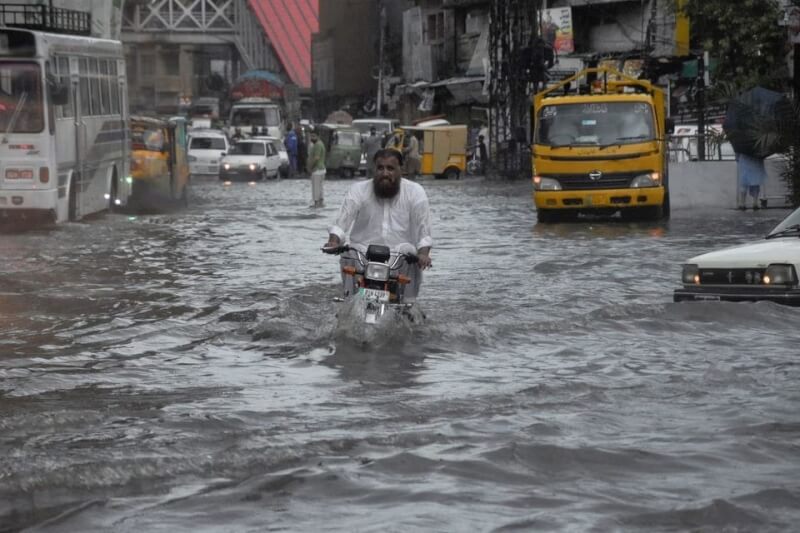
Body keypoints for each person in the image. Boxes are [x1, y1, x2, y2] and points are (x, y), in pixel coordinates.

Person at [324, 149, 433, 301]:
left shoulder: (416, 192)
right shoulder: (358, 190)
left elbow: (424, 233)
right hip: (363, 256)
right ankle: (348, 303)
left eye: (390, 168)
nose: (385, 173)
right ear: (374, 170)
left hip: (400, 258)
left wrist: (423, 254)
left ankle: (408, 306)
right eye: (380, 168)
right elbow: (342, 221)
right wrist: (333, 242)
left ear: (401, 170)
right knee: (348, 251)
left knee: (411, 253)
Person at [307, 128, 327, 208]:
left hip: (317, 169)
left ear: (318, 136)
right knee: (320, 187)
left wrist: (310, 167)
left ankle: (316, 204)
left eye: (314, 136)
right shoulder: (320, 144)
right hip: (321, 169)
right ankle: (320, 203)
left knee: (316, 188)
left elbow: (316, 157)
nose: (312, 138)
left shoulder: (318, 145)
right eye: (311, 136)